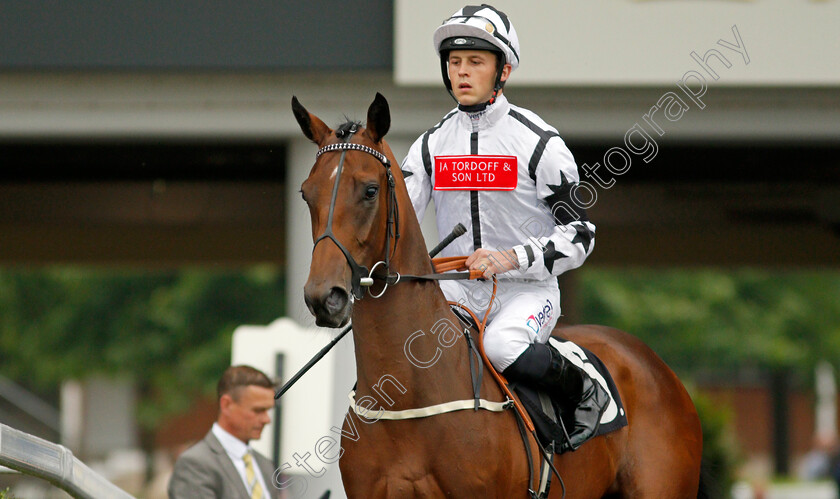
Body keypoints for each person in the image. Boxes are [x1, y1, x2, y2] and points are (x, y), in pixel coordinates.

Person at [401, 4, 609, 451]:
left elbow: (580, 235)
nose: (462, 72)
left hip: (526, 291)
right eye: (454, 62)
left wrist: (510, 258)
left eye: (475, 62)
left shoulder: (540, 143)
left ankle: (582, 389)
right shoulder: (430, 145)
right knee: (411, 344)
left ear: (504, 70)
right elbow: (397, 215)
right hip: (456, 289)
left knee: (499, 346)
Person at [168, 365, 284, 498]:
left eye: (268, 410)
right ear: (226, 405)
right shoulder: (195, 464)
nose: (266, 419)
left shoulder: (264, 464)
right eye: (258, 410)